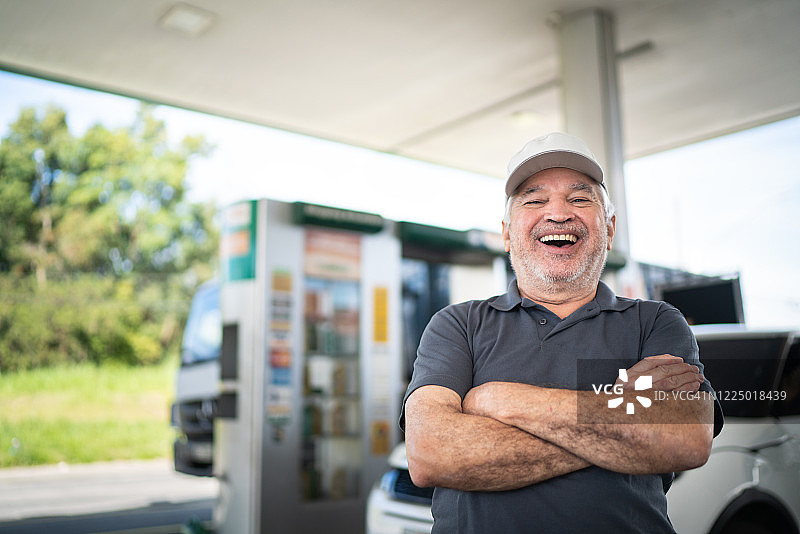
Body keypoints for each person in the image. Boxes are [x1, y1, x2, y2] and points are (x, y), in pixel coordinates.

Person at [402, 132, 724, 533]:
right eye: (535, 200)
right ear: (506, 233)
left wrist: (501, 400)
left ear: (608, 230)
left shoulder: (656, 323)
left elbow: (686, 439)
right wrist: (620, 414)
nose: (557, 213)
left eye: (579, 199)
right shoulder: (457, 324)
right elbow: (432, 453)